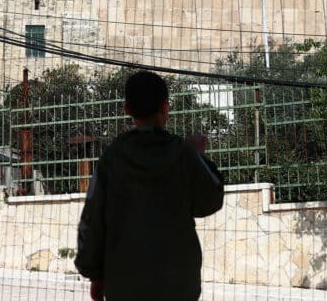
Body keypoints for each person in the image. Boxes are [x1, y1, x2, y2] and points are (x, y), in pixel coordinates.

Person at [75, 70, 224, 301]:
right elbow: (211, 200)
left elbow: (93, 219)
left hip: (125, 284)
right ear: (165, 107)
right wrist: (199, 156)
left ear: (127, 110)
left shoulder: (112, 158)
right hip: (177, 284)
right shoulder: (182, 153)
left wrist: (95, 274)